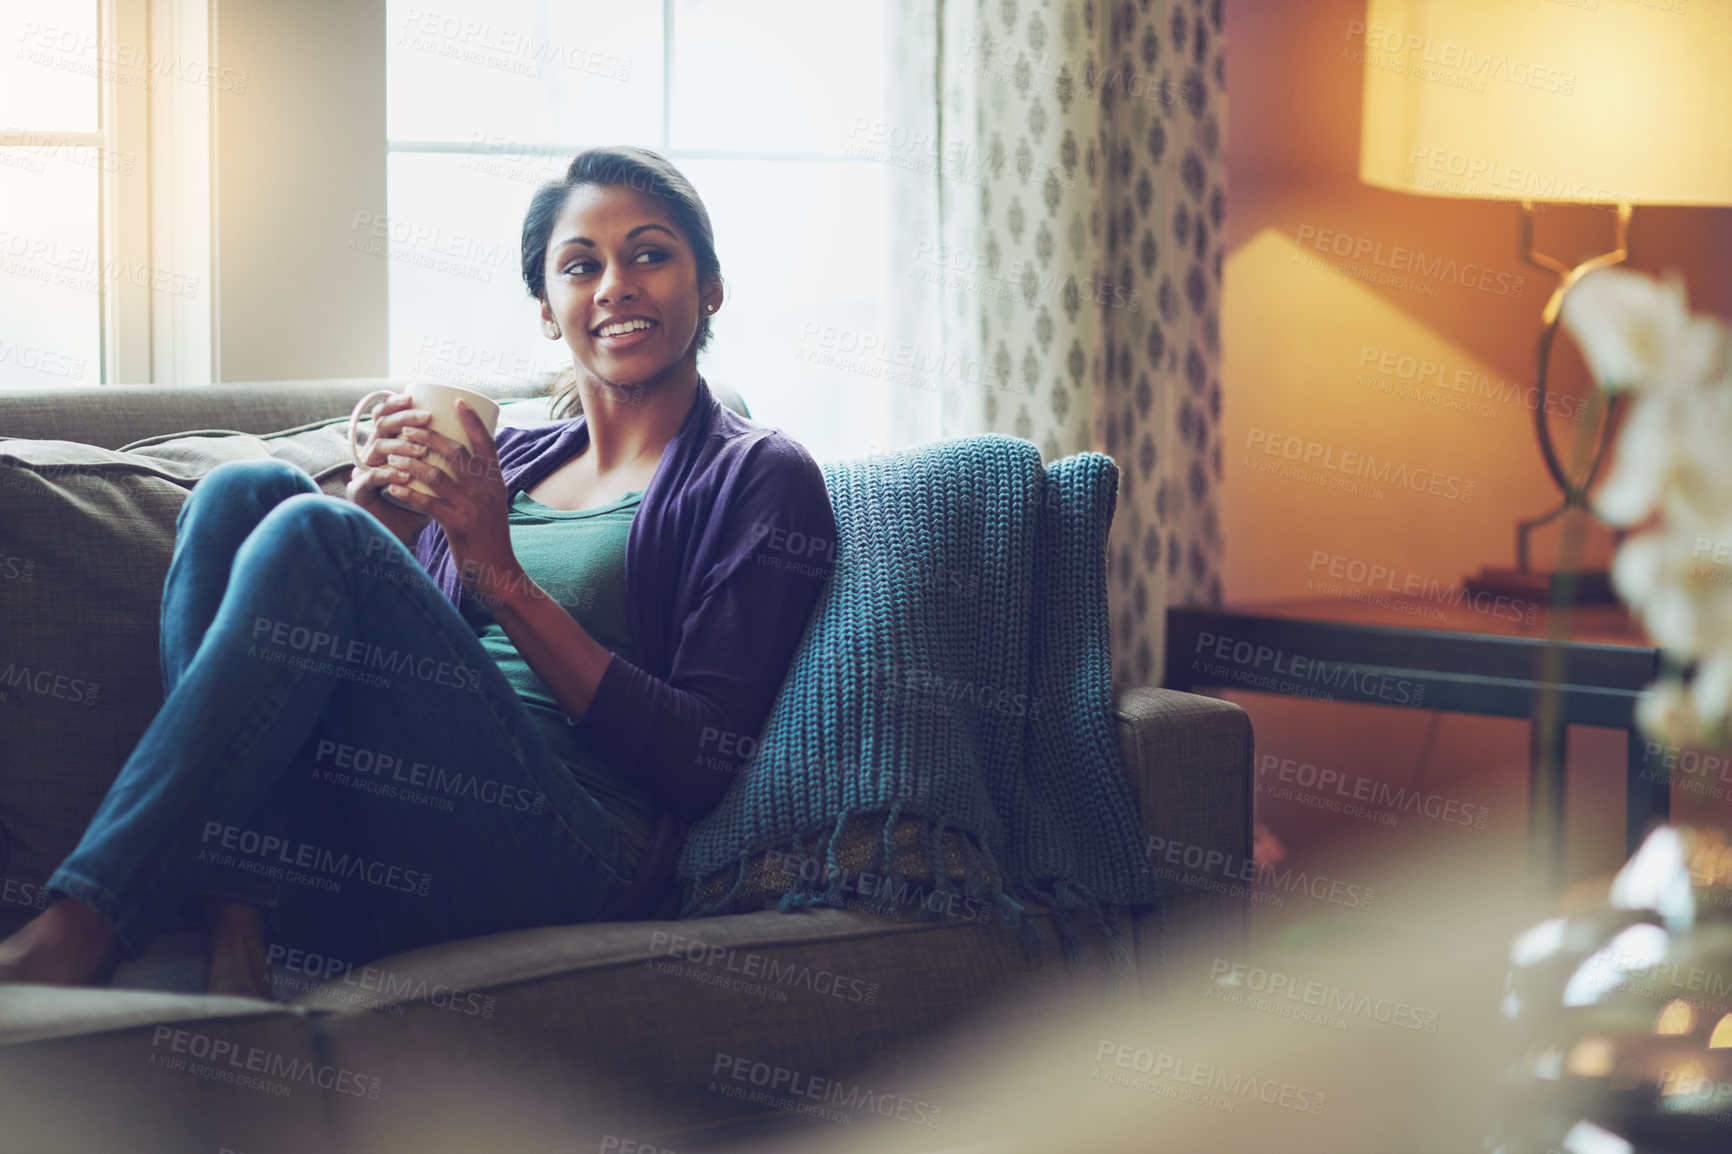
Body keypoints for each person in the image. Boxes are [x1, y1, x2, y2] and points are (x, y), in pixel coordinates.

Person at [0, 146, 838, 998]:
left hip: (568, 858)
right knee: (242, 493)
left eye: (650, 254)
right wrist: (383, 529)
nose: (615, 284)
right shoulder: (502, 459)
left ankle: (88, 923)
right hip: (384, 842)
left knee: (322, 531)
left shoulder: (759, 476)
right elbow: (392, 676)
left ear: (711, 288)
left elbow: (702, 761)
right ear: (549, 310)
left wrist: (498, 573)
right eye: (581, 265)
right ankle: (237, 931)